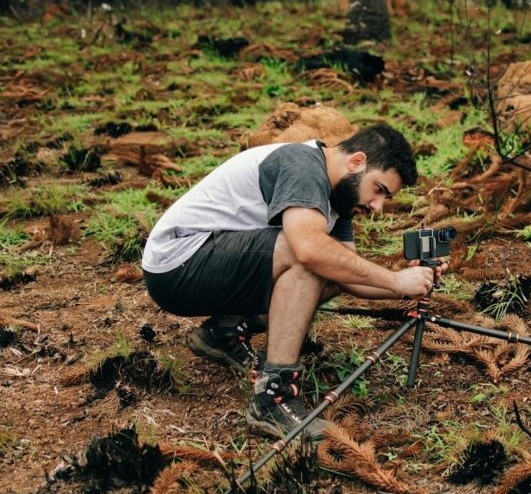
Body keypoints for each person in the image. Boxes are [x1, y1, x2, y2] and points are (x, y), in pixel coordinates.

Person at [141, 124, 444, 440]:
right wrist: (395, 280)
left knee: (333, 263)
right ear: (356, 162)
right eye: (379, 189)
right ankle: (272, 398)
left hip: (203, 267)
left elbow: (348, 275)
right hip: (177, 265)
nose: (377, 206)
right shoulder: (304, 165)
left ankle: (224, 332)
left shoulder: (337, 198)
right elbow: (309, 250)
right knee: (309, 257)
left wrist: (413, 283)